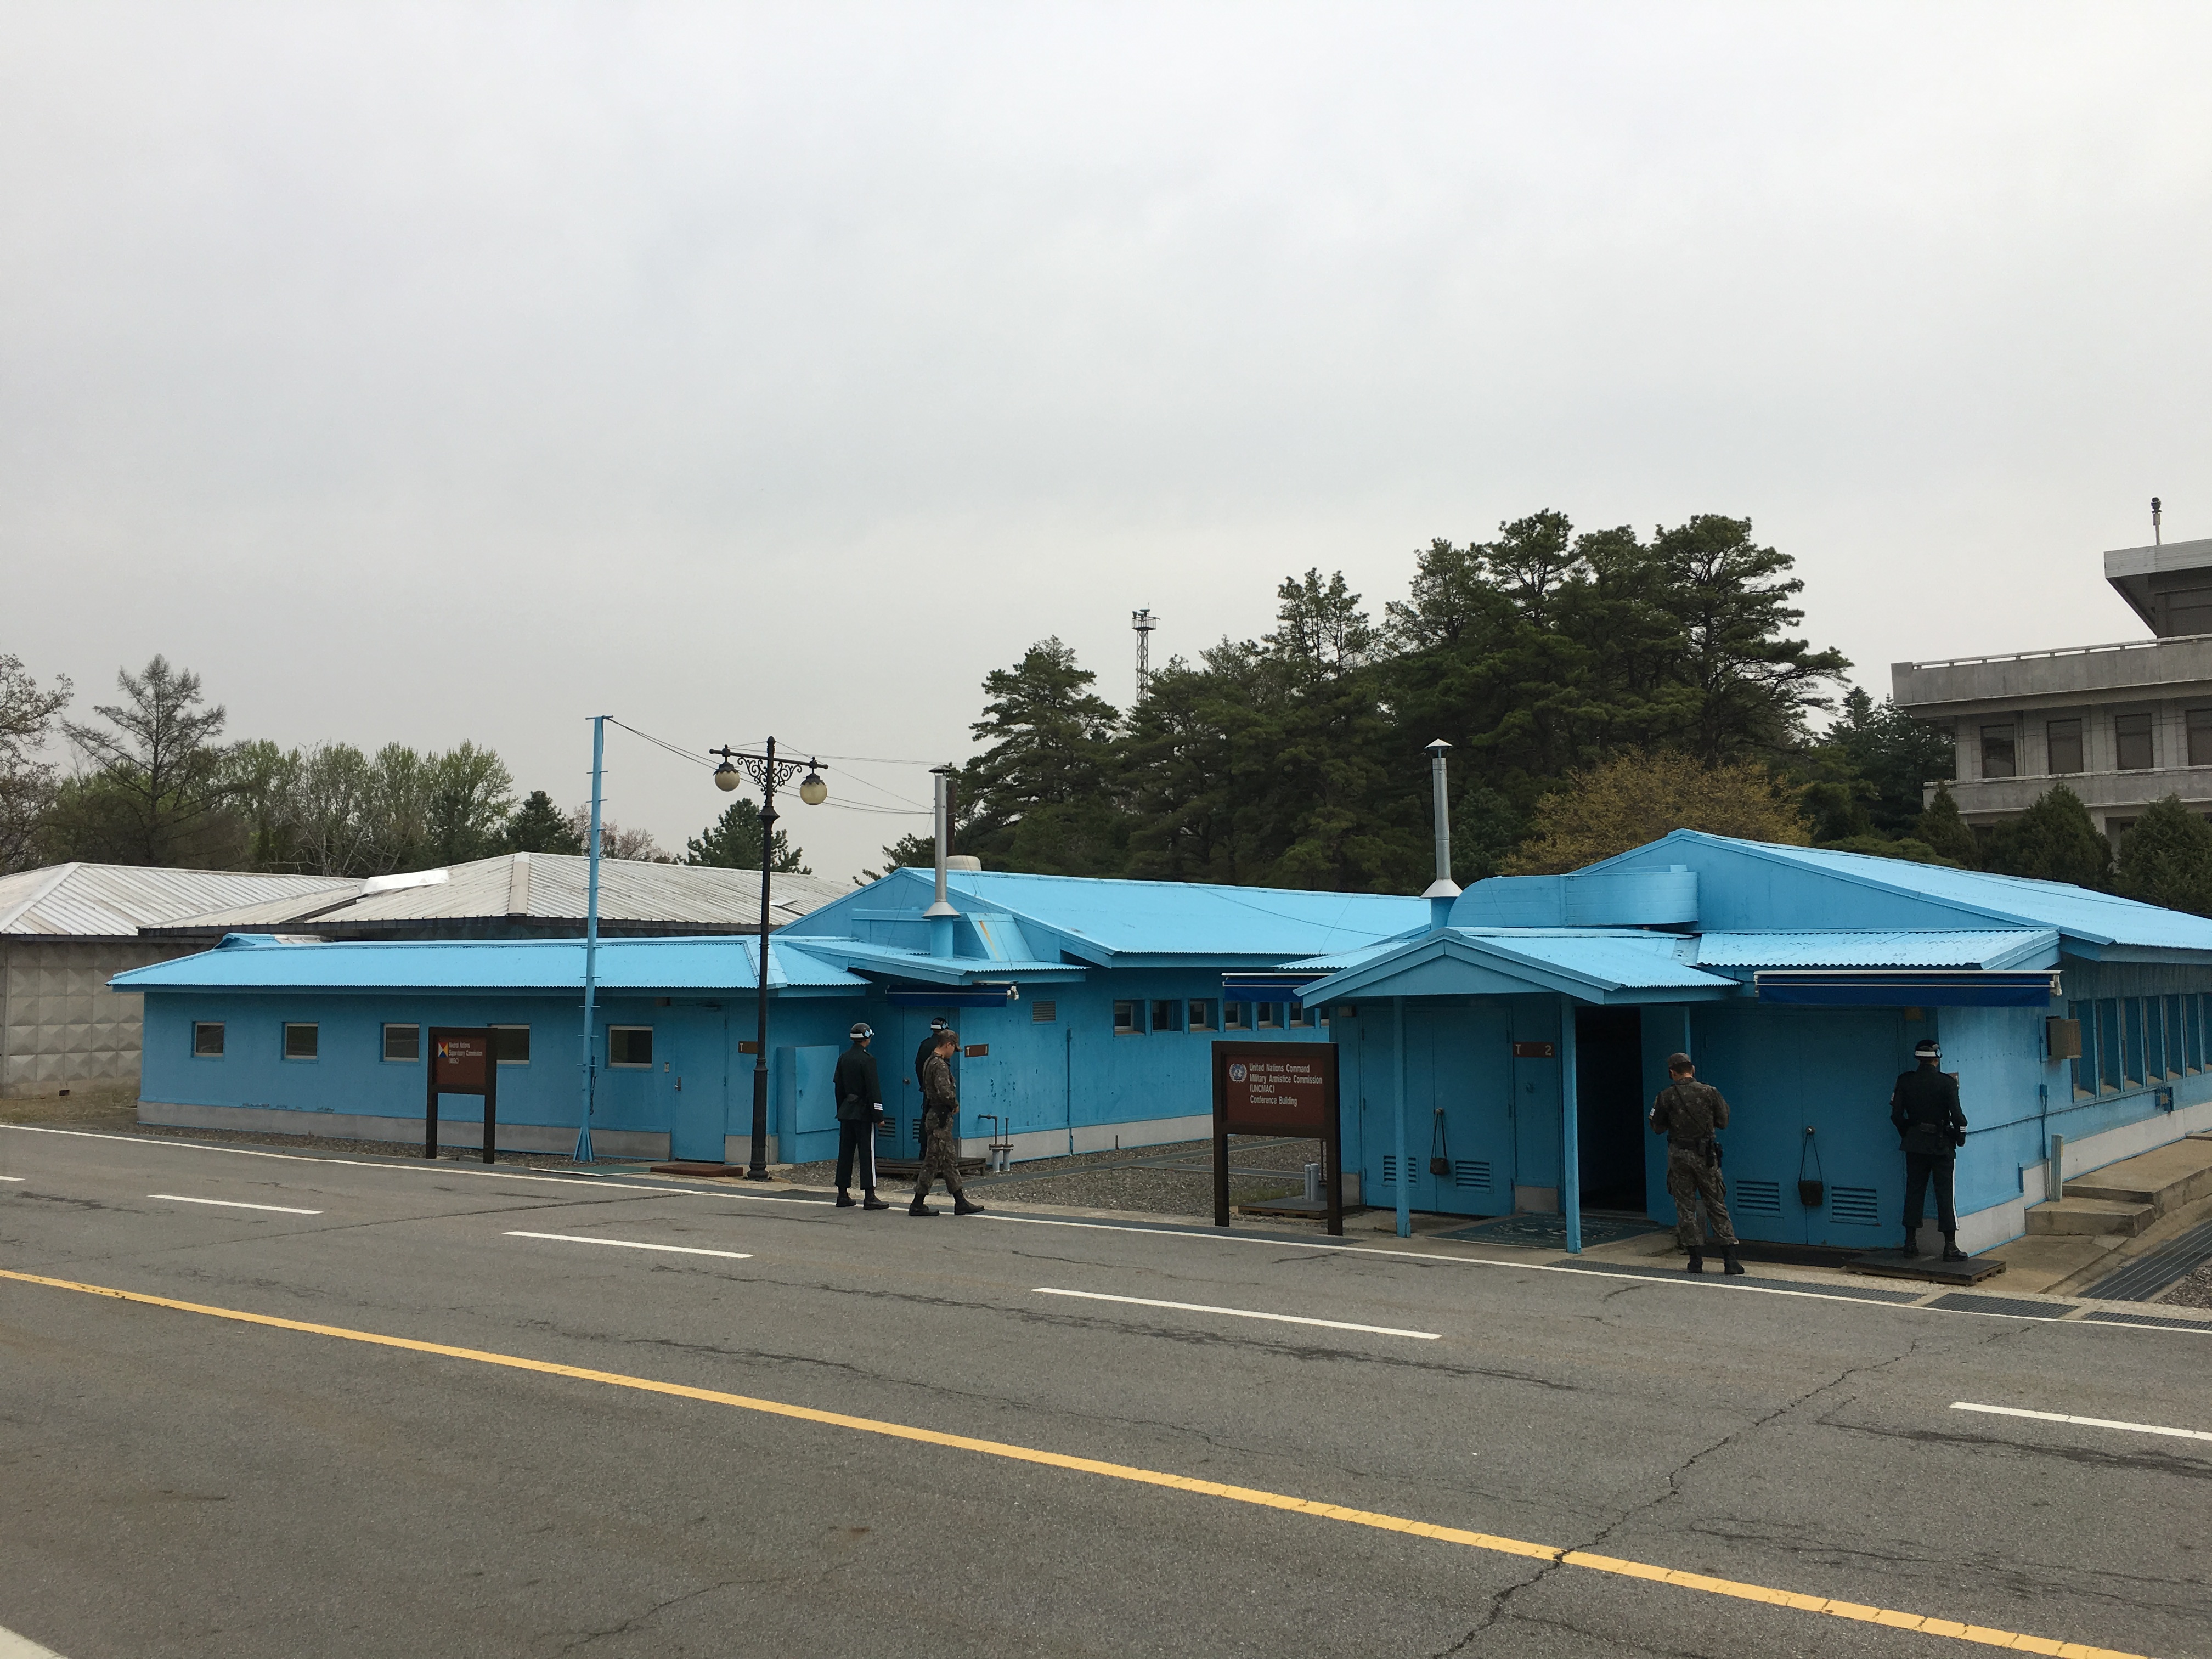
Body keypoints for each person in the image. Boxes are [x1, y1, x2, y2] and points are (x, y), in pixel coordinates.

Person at [1649, 1052, 1741, 1275]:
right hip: (1706, 1156)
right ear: (1692, 1070)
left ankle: (1695, 1261)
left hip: (1679, 1156)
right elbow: (1724, 1122)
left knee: (1685, 1207)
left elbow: (1657, 1127)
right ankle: (1730, 1261)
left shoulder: (1665, 1096)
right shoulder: (1710, 1092)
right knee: (1716, 1204)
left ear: (1672, 1073)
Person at [1891, 1036, 1969, 1262]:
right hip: (1941, 1144)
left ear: (1918, 1059)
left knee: (1914, 1191)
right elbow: (1958, 1117)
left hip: (1915, 1144)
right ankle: (1950, 1246)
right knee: (1945, 1193)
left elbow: (1896, 1116)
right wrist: (1960, 1138)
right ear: (1937, 1059)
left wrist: (1909, 1134)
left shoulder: (1905, 1080)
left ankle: (1910, 1243)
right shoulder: (1947, 1083)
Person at [913, 1028, 983, 1217]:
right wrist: (954, 1103)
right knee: (933, 1160)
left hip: (935, 1116)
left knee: (949, 1160)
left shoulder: (929, 1061)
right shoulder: (940, 1065)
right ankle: (918, 1202)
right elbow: (944, 1091)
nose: (954, 1052)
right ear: (948, 1045)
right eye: (954, 1048)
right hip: (940, 1118)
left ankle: (960, 1201)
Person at [832, 1022, 890, 1210]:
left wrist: (841, 1109)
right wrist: (878, 1115)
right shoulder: (868, 1060)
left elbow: (838, 1088)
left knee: (845, 1153)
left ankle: (843, 1194)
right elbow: (874, 1090)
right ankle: (869, 1195)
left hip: (846, 1111)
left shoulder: (843, 1058)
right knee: (867, 1154)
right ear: (867, 1038)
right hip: (864, 1113)